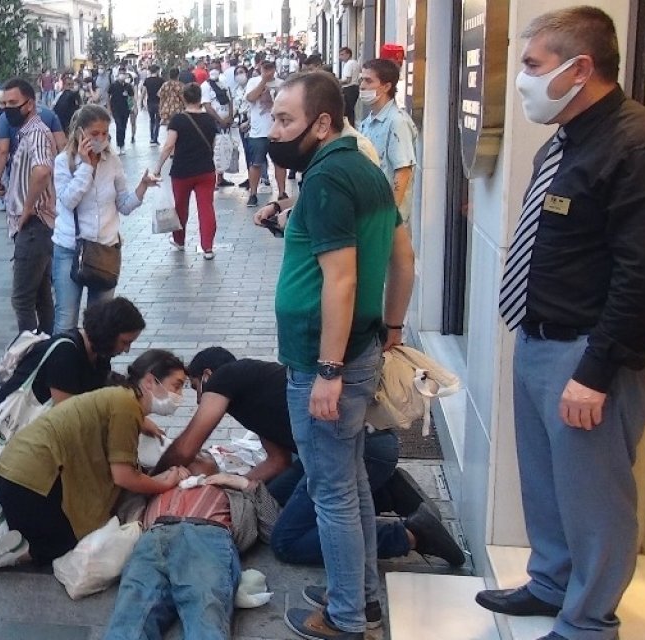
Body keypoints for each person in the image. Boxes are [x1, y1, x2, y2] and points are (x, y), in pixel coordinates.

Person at [474, 9, 645, 640]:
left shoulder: (637, 145)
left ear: (580, 69)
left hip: (587, 356)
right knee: (548, 483)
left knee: (596, 497)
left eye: (531, 66)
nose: (522, 80)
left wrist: (596, 372)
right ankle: (551, 582)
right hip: (540, 339)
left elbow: (643, 276)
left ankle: (588, 621)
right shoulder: (566, 139)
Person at [264, 71, 415, 640]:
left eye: (285, 119)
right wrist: (392, 326)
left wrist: (327, 369)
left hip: (326, 361)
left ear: (322, 122)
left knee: (333, 496)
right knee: (349, 487)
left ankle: (347, 617)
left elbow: (343, 279)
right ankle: (362, 599)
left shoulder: (327, 178)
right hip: (358, 350)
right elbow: (405, 258)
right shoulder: (365, 169)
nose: (274, 129)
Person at [164, 348, 466, 580]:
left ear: (207, 375)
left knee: (286, 540)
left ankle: (411, 535)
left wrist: (153, 479)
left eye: (193, 387)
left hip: (358, 451)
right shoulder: (250, 391)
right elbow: (277, 461)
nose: (196, 399)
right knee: (273, 504)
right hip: (354, 449)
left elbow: (188, 444)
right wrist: (237, 490)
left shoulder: (226, 377)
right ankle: (386, 492)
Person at [0, 350, 194, 574]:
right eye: (177, 385)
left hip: (10, 476)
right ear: (149, 381)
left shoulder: (120, 398)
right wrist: (164, 483)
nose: (179, 395)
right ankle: (14, 551)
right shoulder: (126, 406)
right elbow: (123, 475)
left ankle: (8, 528)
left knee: (68, 519)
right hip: (26, 485)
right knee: (65, 543)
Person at [103, 452, 251, 640]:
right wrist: (156, 480)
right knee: (130, 616)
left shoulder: (225, 490)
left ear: (216, 469)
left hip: (204, 539)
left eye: (205, 454)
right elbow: (119, 493)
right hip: (153, 539)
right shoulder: (156, 487)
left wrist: (241, 483)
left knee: (205, 614)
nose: (196, 453)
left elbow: (271, 523)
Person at [52, 106, 157, 333]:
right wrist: (86, 167)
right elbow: (68, 201)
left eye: (105, 133)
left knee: (101, 325)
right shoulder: (64, 162)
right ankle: (63, 365)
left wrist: (142, 187)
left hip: (105, 250)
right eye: (94, 133)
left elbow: (124, 205)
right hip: (70, 248)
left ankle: (96, 367)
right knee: (65, 320)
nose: (100, 139)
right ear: (80, 133)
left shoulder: (112, 160)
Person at [0, 296, 146, 406]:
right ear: (109, 332)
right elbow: (67, 416)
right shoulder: (65, 354)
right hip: (20, 430)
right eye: (125, 342)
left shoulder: (99, 353)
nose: (126, 350)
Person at [1, 78, 57, 334]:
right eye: (4, 103)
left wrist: (27, 207)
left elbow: (43, 170)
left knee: (22, 299)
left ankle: (30, 353)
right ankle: (46, 348)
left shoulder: (36, 132)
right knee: (40, 296)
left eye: (13, 103)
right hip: (34, 226)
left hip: (33, 225)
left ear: (30, 104)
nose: (7, 108)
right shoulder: (28, 132)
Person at [154, 83, 220, 259]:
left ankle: (179, 241)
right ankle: (207, 247)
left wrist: (158, 167)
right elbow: (212, 145)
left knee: (181, 207)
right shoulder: (209, 120)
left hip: (182, 171)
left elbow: (169, 145)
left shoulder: (178, 120)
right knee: (206, 207)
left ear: (183, 98)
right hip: (206, 170)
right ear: (200, 98)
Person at [358, 59, 418, 223]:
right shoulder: (367, 123)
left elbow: (403, 171)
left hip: (386, 220)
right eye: (361, 80)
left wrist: (388, 215)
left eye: (368, 81)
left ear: (386, 86)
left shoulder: (397, 122)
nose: (362, 86)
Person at [243, 61, 287, 206]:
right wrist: (263, 81)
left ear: (274, 69)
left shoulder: (281, 84)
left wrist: (271, 102)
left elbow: (286, 106)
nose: (268, 71)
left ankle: (282, 192)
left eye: (270, 69)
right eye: (265, 69)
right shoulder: (253, 82)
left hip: (277, 130)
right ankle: (253, 193)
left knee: (280, 163)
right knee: (256, 163)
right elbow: (250, 98)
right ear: (260, 69)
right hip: (258, 131)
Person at [201, 67, 236, 187]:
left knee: (224, 148)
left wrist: (230, 116)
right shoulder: (205, 86)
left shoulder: (224, 84)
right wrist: (220, 120)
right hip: (213, 122)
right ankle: (212, 178)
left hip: (226, 122)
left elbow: (230, 100)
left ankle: (221, 177)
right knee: (214, 149)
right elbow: (207, 106)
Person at [108, 73, 135, 150]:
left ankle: (122, 144)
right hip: (115, 109)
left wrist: (133, 107)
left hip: (125, 109)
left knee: (123, 126)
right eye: (121, 73)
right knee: (118, 126)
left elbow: (132, 97)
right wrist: (109, 108)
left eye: (123, 74)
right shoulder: (113, 85)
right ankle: (119, 144)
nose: (122, 75)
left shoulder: (128, 86)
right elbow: (108, 96)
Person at [337, 47, 360, 125]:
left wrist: (336, 81)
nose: (340, 57)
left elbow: (347, 80)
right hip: (354, 88)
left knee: (347, 111)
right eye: (340, 55)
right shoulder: (355, 62)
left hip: (349, 89)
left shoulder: (349, 64)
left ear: (348, 54)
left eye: (342, 54)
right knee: (350, 110)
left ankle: (348, 126)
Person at [143, 65, 165, 145]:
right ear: (157, 71)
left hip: (150, 102)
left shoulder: (147, 80)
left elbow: (144, 91)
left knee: (151, 120)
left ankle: (152, 137)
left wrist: (142, 101)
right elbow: (163, 92)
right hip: (159, 102)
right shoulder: (161, 80)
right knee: (158, 121)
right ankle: (155, 138)